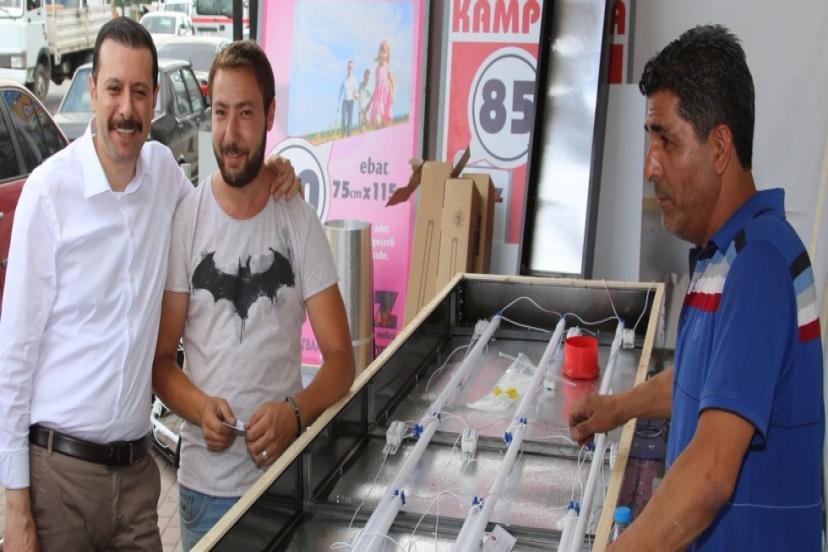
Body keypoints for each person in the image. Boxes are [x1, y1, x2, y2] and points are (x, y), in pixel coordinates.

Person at [0, 18, 298, 552]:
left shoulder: (165, 176)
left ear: (155, 97)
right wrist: (15, 508)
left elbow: (222, 203)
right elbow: (13, 358)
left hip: (138, 481)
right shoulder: (48, 195)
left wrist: (272, 169)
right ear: (93, 90)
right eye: (114, 89)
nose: (127, 108)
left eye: (140, 92)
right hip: (59, 480)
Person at [569, 25, 823, 551]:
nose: (650, 166)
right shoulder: (722, 255)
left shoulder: (758, 265)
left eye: (666, 140)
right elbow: (705, 378)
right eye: (650, 141)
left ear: (720, 147)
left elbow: (708, 477)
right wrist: (620, 407)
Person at [152, 40, 355, 551]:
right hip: (205, 492)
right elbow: (160, 363)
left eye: (245, 113)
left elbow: (341, 360)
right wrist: (199, 408)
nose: (230, 134)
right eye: (221, 112)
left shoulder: (296, 221)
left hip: (282, 485)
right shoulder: (187, 219)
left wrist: (295, 413)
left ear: (269, 115)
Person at [368, 40, 394, 129]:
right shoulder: (377, 69)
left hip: (386, 97)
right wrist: (370, 103)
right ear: (379, 53)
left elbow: (392, 82)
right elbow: (376, 87)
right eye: (382, 52)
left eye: (385, 52)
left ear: (387, 55)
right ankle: (379, 129)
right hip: (378, 98)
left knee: (386, 123)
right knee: (377, 120)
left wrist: (392, 95)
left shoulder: (387, 66)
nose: (383, 54)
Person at [337, 60, 357, 137]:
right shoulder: (344, 80)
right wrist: (338, 105)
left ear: (353, 68)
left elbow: (356, 92)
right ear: (347, 68)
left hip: (351, 102)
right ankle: (343, 135)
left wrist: (356, 96)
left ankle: (349, 137)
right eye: (349, 67)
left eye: (351, 67)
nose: (350, 68)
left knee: (349, 122)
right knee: (343, 119)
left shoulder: (354, 79)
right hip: (344, 102)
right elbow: (340, 93)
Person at [357, 68, 372, 132]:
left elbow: (372, 98)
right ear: (364, 77)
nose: (366, 79)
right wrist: (355, 95)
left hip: (366, 109)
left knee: (368, 125)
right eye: (366, 78)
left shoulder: (370, 86)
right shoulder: (360, 84)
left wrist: (368, 105)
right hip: (360, 108)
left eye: (368, 78)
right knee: (361, 127)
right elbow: (357, 94)